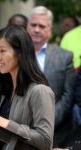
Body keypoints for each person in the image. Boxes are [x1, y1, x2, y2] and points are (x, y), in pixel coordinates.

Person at [27, 6, 76, 148]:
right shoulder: (16, 54)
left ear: (50, 30)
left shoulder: (64, 56)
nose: (36, 29)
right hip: (19, 130)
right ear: (27, 27)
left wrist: (47, 122)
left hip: (55, 132)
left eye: (41, 26)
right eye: (33, 25)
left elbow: (68, 95)